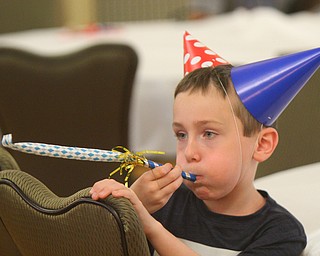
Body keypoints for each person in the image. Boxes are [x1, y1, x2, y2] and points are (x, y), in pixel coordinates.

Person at [90, 33, 319, 255]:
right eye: (181, 135)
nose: (189, 153)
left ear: (262, 145)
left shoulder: (281, 233)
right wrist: (121, 213)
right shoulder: (164, 203)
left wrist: (150, 226)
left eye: (208, 134)